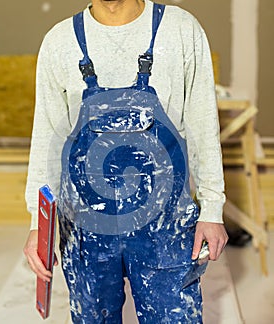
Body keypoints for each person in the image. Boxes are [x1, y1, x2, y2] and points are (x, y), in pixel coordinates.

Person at [24, 0, 228, 322]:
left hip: (166, 227)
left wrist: (212, 208)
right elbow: (47, 138)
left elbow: (204, 125)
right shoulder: (59, 41)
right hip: (85, 231)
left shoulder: (179, 29)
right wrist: (39, 222)